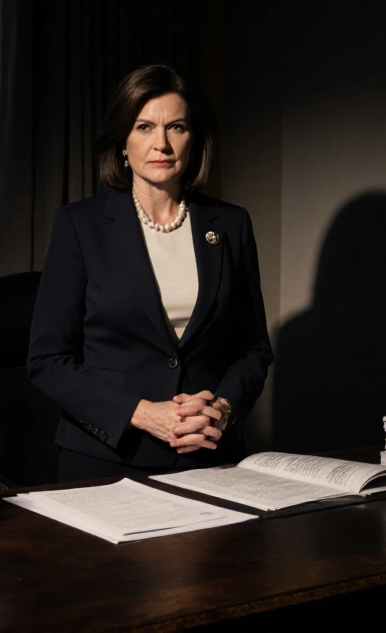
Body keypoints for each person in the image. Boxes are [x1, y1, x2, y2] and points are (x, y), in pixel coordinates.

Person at [27, 64, 275, 482]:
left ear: (194, 140)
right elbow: (47, 360)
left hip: (208, 454)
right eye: (144, 127)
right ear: (123, 141)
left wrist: (223, 410)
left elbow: (254, 350)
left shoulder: (232, 224)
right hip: (107, 459)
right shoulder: (80, 225)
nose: (161, 143)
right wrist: (142, 414)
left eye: (176, 127)